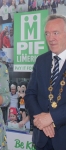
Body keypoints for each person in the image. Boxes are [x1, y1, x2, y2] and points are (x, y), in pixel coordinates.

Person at [25, 14, 66, 150]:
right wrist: (43, 121)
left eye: (56, 33)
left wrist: (52, 117)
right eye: (47, 34)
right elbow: (30, 94)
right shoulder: (41, 60)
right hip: (42, 139)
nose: (50, 38)